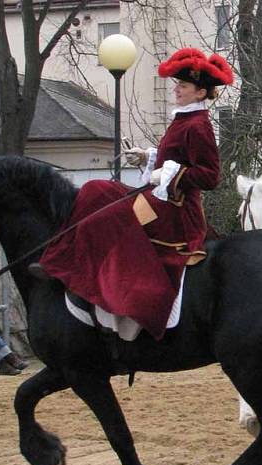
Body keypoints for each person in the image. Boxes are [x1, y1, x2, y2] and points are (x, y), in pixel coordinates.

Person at [36, 48, 233, 340]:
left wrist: (168, 175)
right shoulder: (183, 120)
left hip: (178, 211)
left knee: (112, 215)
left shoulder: (199, 125)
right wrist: (147, 158)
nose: (176, 90)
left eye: (183, 86)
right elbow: (174, 157)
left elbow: (209, 176)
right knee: (95, 191)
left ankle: (118, 298)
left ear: (200, 92)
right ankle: (68, 264)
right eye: (177, 85)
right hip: (163, 200)